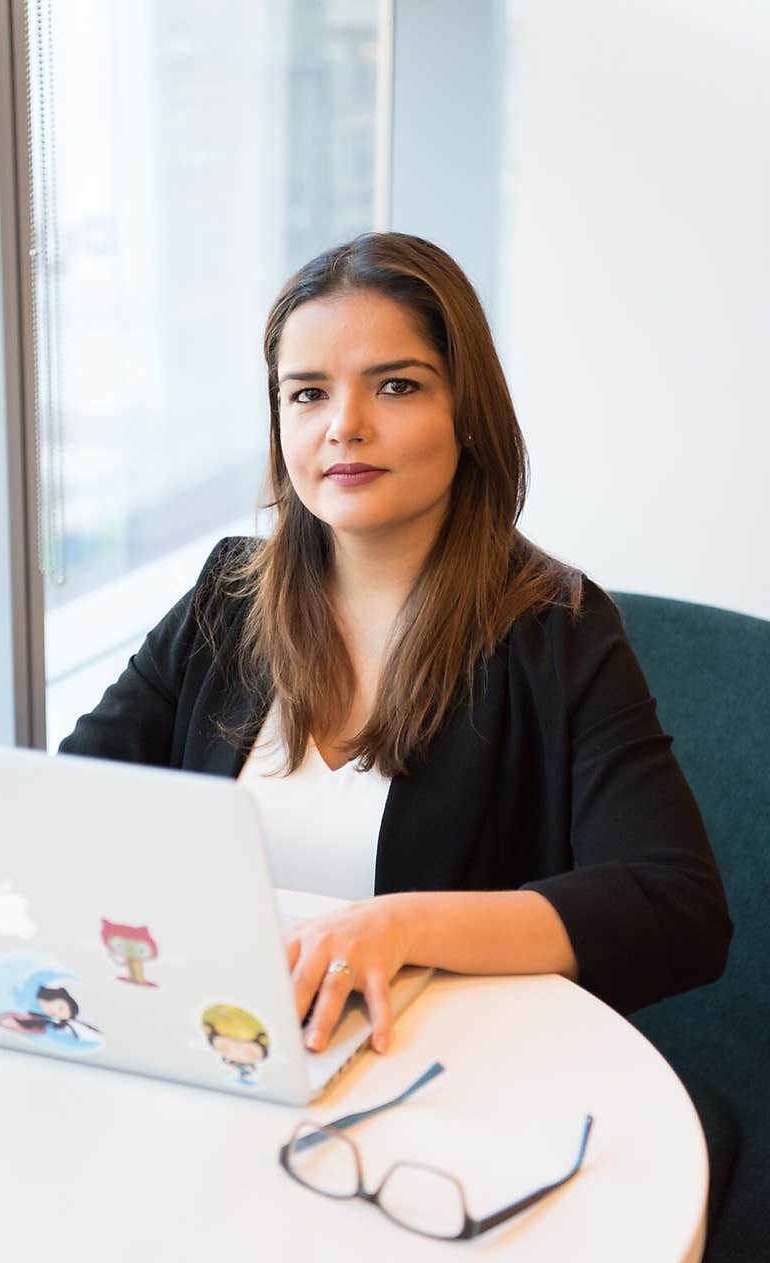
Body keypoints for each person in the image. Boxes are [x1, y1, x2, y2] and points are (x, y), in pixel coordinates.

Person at [59, 231, 731, 1057]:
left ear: (468, 414)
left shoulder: (555, 628)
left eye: (397, 386)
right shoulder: (228, 597)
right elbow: (71, 804)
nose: (345, 426)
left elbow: (675, 907)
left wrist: (401, 925)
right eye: (307, 394)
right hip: (231, 1046)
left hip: (437, 1067)